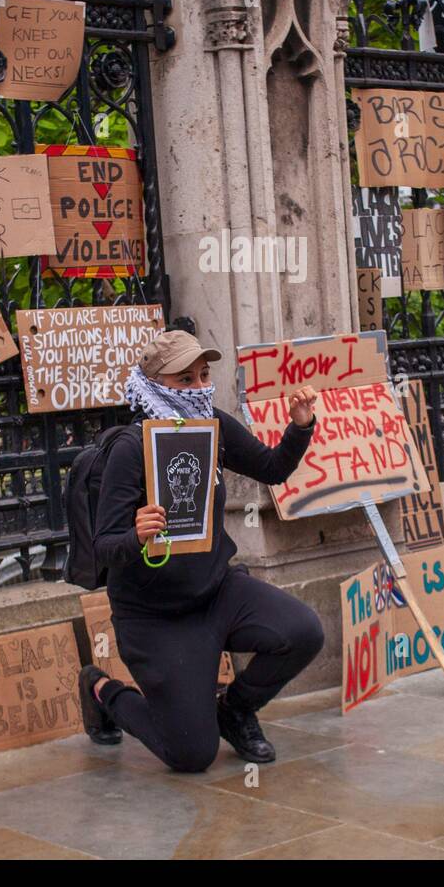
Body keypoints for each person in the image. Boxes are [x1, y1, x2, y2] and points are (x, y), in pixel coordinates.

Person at [78, 328, 324, 771]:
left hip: (216, 592)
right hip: (156, 616)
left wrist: (300, 425)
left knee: (303, 630)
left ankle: (235, 710)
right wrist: (136, 535)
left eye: (204, 375)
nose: (198, 388)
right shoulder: (131, 449)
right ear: (154, 385)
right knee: (191, 755)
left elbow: (271, 468)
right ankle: (102, 691)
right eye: (184, 380)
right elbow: (104, 547)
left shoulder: (212, 426)